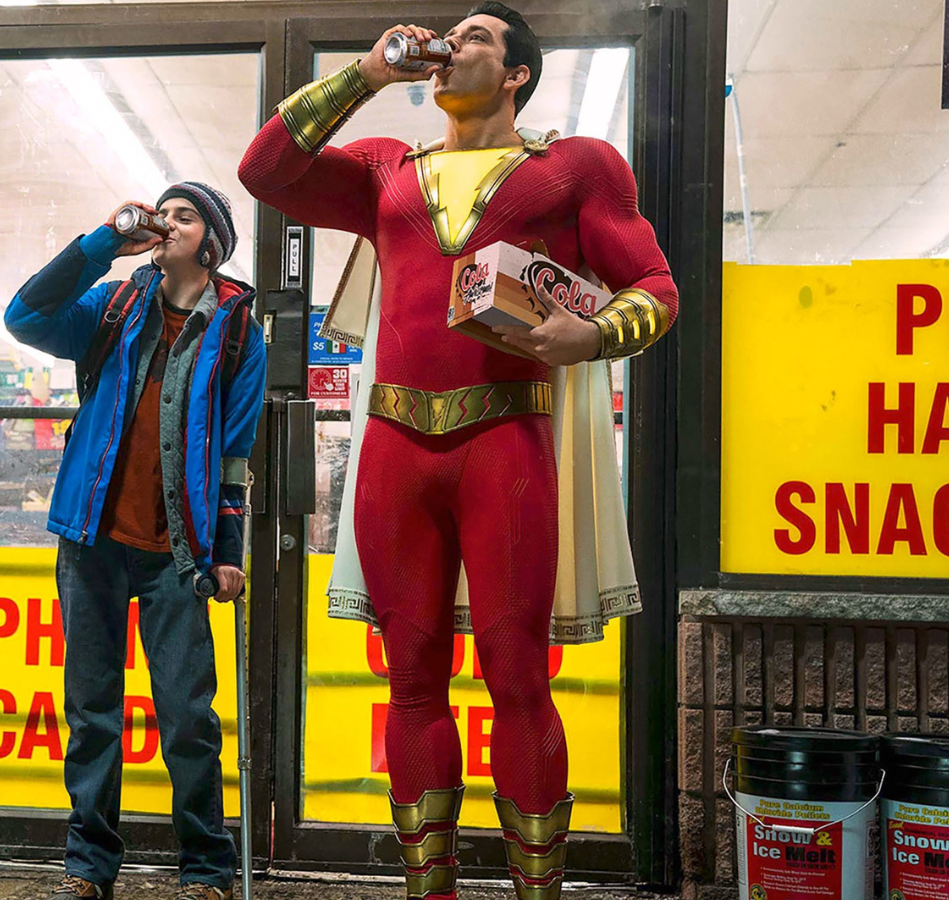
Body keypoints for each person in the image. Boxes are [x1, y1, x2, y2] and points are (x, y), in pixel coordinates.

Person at [238, 5, 678, 900]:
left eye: (474, 37)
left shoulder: (575, 165)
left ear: (517, 72)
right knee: (412, 682)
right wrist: (367, 73)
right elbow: (265, 170)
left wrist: (588, 338)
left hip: (506, 440)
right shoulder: (383, 169)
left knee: (517, 677)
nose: (449, 46)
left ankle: (537, 891)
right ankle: (425, 890)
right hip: (397, 446)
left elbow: (658, 288)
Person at [3, 182, 267, 900]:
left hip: (177, 553)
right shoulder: (114, 304)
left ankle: (207, 869)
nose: (165, 222)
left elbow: (236, 453)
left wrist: (229, 553)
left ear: (211, 240)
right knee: (92, 711)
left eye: (183, 215)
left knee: (187, 717)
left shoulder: (238, 325)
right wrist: (101, 245)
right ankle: (88, 869)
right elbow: (24, 315)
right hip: (91, 538)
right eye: (162, 213)